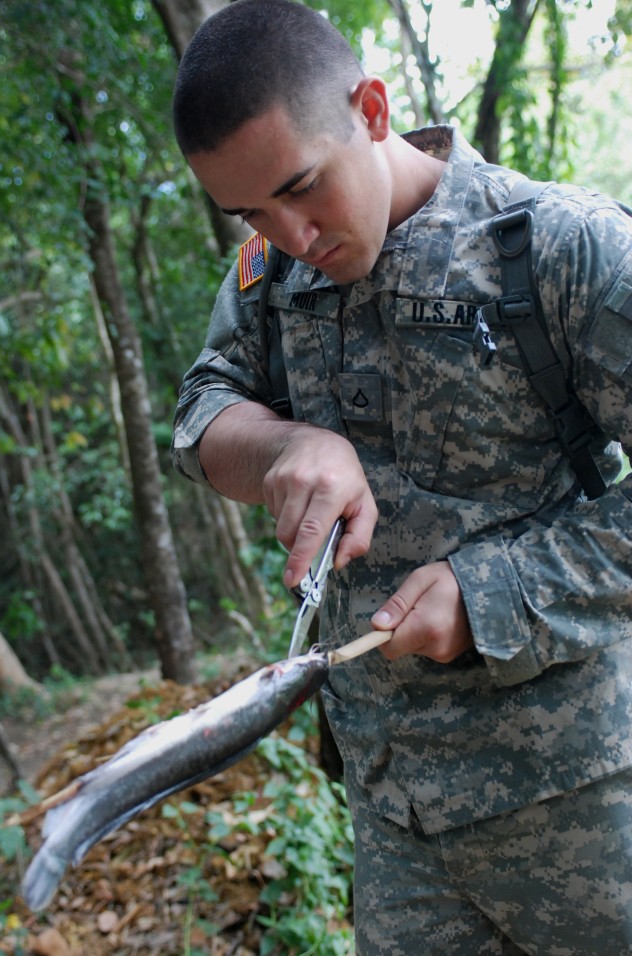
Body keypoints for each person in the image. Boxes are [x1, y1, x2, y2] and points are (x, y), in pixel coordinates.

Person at [171, 1, 632, 952]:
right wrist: (283, 450)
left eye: (301, 187)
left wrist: (495, 591)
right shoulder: (270, 276)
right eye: (249, 211)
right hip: (395, 828)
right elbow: (202, 411)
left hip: (590, 804)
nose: (290, 231)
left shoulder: (560, 246)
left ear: (372, 108)